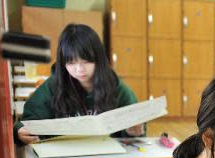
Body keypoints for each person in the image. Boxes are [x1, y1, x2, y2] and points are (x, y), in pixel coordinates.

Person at [14, 23, 142, 145]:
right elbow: (29, 120)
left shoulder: (115, 86)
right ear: (63, 63)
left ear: (98, 59)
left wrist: (134, 131)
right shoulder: (54, 85)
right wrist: (20, 130)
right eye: (71, 63)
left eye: (86, 61)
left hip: (106, 157)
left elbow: (136, 124)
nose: (79, 69)